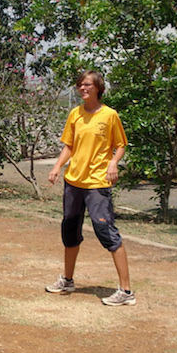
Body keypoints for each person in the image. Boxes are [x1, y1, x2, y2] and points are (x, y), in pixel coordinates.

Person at [46, 70, 134, 306]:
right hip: (73, 181)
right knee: (69, 231)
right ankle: (67, 279)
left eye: (87, 85)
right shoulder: (75, 114)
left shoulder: (109, 115)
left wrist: (113, 163)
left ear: (98, 88)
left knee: (106, 232)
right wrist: (57, 167)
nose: (82, 88)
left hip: (97, 184)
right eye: (80, 85)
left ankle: (126, 292)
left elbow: (120, 145)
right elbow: (69, 146)